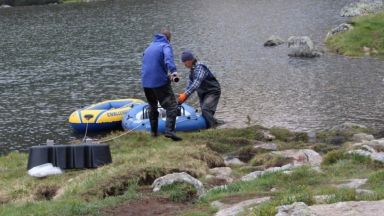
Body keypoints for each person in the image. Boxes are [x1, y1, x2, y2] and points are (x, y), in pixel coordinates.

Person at [141, 28, 182, 141]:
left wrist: (165, 75)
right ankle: (169, 131)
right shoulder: (165, 46)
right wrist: (173, 72)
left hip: (146, 82)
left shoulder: (149, 47)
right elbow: (168, 59)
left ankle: (153, 133)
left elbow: (149, 64)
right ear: (168, 39)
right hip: (158, 82)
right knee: (172, 105)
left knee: (153, 106)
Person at [178, 50, 221, 128]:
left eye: (185, 61)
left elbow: (196, 83)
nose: (184, 64)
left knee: (206, 108)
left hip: (212, 91)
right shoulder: (192, 70)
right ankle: (216, 124)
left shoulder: (200, 67)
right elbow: (190, 85)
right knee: (206, 113)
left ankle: (213, 128)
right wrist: (183, 97)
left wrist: (185, 94)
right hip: (203, 93)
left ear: (190, 60)